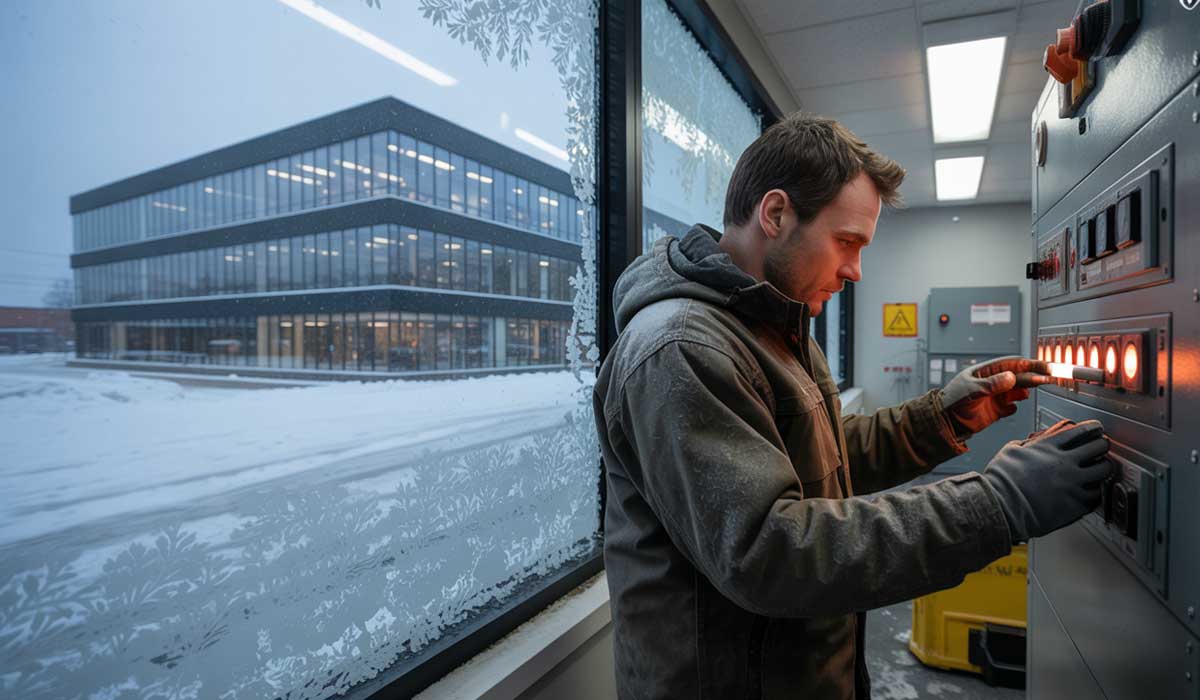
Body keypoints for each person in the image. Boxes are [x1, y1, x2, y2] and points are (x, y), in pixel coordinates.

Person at [592, 113, 1113, 699]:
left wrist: (947, 415)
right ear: (776, 214)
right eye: (847, 242)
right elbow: (770, 551)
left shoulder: (776, 326)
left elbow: (830, 455)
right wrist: (996, 503)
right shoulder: (681, 348)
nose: (855, 271)